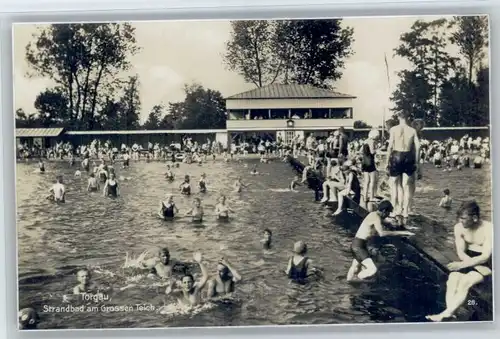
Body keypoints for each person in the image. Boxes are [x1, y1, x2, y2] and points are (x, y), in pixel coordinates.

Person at [426, 201, 492, 322]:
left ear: (475, 218)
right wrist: (470, 264)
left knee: (465, 282)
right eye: (459, 218)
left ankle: (445, 314)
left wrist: (462, 265)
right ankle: (451, 313)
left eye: (464, 218)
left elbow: (485, 256)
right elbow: (461, 252)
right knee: (453, 278)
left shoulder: (489, 228)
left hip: (487, 264)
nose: (460, 221)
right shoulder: (459, 227)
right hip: (469, 260)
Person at [347, 200, 414, 281]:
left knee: (355, 267)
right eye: (388, 213)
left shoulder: (373, 214)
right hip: (359, 246)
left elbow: (380, 228)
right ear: (384, 211)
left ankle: (349, 282)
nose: (388, 215)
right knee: (372, 270)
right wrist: (401, 233)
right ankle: (358, 279)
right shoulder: (376, 217)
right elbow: (381, 233)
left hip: (357, 244)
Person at [385, 112, 420, 221]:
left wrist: (387, 163)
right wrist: (417, 163)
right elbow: (418, 147)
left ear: (398, 118)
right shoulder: (412, 130)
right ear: (408, 118)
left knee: (395, 185)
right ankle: (405, 211)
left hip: (396, 155)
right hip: (408, 156)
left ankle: (395, 210)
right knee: (407, 186)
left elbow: (390, 147)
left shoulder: (393, 129)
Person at [361, 129, 379, 208]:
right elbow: (372, 152)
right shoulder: (371, 141)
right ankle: (371, 197)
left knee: (366, 181)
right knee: (372, 181)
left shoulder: (365, 141)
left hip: (364, 162)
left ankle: (365, 197)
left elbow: (360, 151)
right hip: (370, 162)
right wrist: (378, 149)